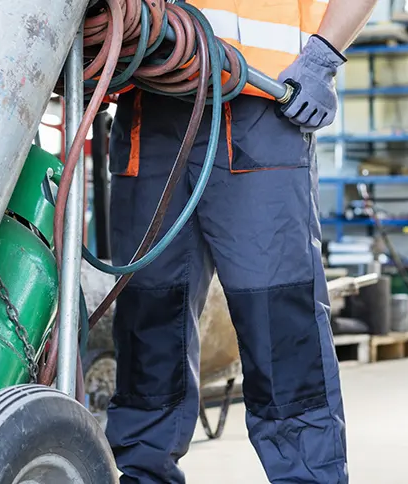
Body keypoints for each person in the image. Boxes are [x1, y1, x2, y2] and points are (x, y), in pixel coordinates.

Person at [104, 0, 377, 482]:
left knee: (279, 322)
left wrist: (323, 57)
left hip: (262, 104)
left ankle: (308, 476)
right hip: (150, 102)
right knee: (148, 317)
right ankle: (142, 473)